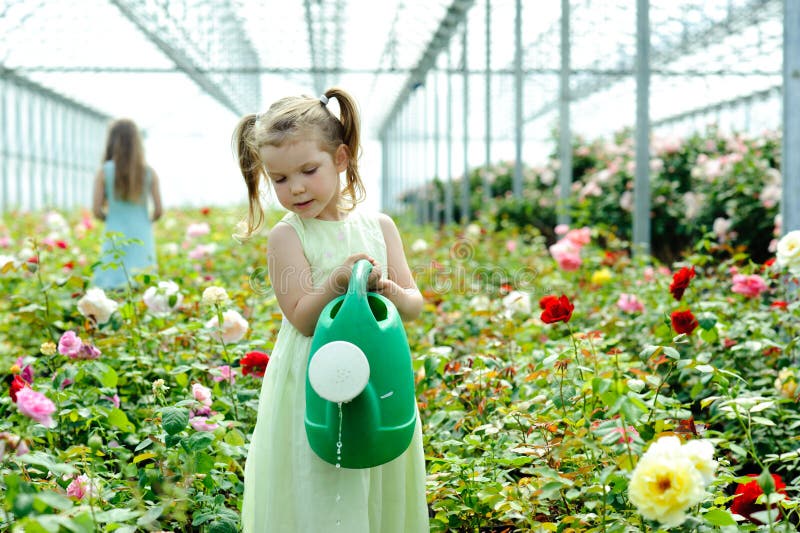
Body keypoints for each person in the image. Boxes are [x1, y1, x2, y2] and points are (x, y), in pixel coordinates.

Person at [232, 87, 429, 532]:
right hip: (315, 375)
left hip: (377, 370)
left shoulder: (379, 226)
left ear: (340, 159)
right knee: (320, 476)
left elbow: (414, 306)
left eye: (308, 170)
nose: (295, 187)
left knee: (373, 461)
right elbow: (302, 316)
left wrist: (389, 290)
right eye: (279, 180)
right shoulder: (287, 236)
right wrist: (336, 283)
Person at [91, 118, 163, 289]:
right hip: (142, 232)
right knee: (142, 281)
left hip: (114, 232)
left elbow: (96, 210)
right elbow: (159, 211)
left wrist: (112, 218)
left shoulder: (104, 172)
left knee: (112, 281)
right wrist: (144, 220)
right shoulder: (149, 172)